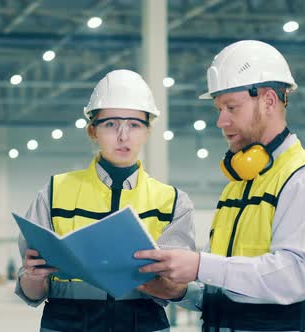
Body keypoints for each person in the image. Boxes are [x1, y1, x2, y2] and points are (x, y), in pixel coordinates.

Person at [135, 40, 305, 331]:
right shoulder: (238, 186)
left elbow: (292, 278)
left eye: (231, 107)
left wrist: (199, 265)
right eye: (219, 108)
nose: (221, 120)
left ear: (269, 101)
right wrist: (182, 291)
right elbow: (229, 289)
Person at [14, 69, 196, 331]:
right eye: (111, 124)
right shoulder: (55, 192)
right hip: (67, 323)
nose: (124, 136)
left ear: (148, 131)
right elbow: (32, 293)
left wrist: (159, 281)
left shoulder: (172, 202)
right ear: (92, 130)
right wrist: (33, 276)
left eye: (134, 124)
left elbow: (178, 289)